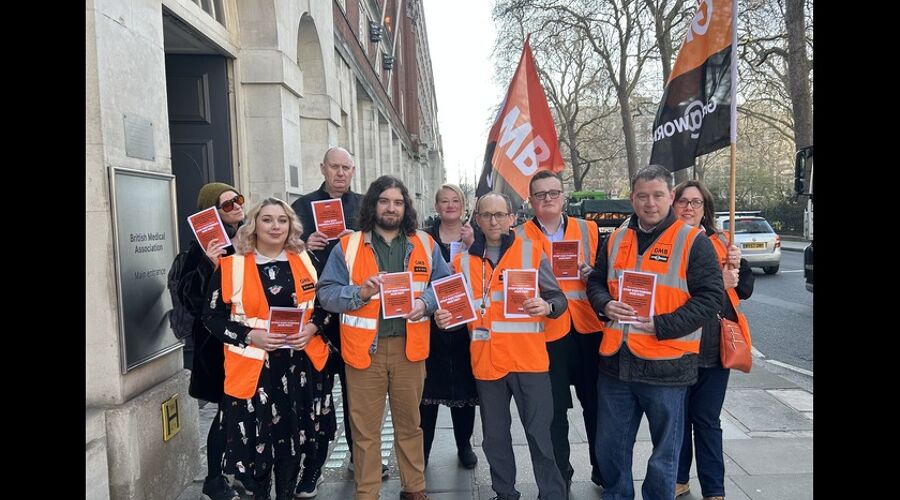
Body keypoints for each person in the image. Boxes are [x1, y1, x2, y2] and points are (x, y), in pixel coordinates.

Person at [585, 165, 724, 500]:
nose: (650, 203)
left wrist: (662, 325)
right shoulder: (617, 237)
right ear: (632, 198)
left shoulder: (693, 241)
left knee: (666, 454)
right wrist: (605, 304)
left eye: (658, 195)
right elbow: (596, 281)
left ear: (671, 197)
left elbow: (711, 298)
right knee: (610, 447)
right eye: (643, 196)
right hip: (617, 363)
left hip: (668, 364)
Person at [317, 175, 451, 500]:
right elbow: (326, 294)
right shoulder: (347, 246)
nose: (392, 208)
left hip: (409, 349)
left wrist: (425, 303)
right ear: (373, 204)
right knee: (365, 432)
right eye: (385, 201)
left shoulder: (425, 243)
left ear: (406, 207)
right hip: (365, 352)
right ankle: (367, 493)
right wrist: (359, 293)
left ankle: (414, 489)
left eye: (398, 202)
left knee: (410, 426)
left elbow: (445, 285)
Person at [435, 192, 568, 500]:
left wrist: (547, 307)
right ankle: (504, 493)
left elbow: (559, 300)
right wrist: (443, 318)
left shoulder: (533, 252)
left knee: (540, 436)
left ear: (512, 218)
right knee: (494, 438)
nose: (493, 221)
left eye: (499, 215)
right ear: (477, 220)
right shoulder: (461, 262)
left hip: (529, 362)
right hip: (487, 362)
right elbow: (455, 313)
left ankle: (553, 494)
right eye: (486, 215)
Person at [201, 198, 336, 500]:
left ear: (291, 226)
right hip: (254, 370)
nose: (275, 226)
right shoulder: (231, 266)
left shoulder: (307, 261)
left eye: (282, 220)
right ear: (254, 225)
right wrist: (249, 336)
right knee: (256, 449)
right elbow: (211, 318)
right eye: (267, 220)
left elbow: (326, 306)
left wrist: (312, 328)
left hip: (299, 367)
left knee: (292, 446)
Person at [290, 147, 388, 494]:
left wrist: (357, 243)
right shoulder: (301, 207)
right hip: (313, 313)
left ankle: (359, 457)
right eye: (335, 167)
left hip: (353, 312)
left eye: (347, 168)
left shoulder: (365, 205)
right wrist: (302, 244)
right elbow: (279, 250)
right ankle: (311, 466)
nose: (341, 173)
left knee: (356, 393)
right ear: (323, 167)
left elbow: (382, 246)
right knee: (315, 395)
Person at [515, 171, 605, 490]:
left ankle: (603, 469)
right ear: (531, 200)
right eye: (540, 194)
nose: (548, 199)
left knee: (597, 404)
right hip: (546, 332)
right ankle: (559, 479)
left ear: (564, 196)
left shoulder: (589, 230)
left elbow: (609, 276)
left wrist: (593, 274)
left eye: (553, 192)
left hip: (588, 329)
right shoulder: (519, 235)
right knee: (553, 412)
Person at [672, 181, 754, 500]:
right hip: (676, 347)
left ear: (705, 209)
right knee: (677, 421)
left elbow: (744, 289)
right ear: (673, 205)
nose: (689, 208)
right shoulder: (663, 243)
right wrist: (715, 281)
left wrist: (737, 266)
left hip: (715, 348)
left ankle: (714, 489)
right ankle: (679, 478)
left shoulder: (722, 243)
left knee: (706, 421)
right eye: (683, 201)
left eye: (697, 202)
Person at [177, 182, 245, 500]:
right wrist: (208, 264)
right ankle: (214, 478)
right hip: (216, 342)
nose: (237, 207)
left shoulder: (252, 236)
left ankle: (245, 471)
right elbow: (190, 297)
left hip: (249, 336)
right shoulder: (201, 249)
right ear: (213, 213)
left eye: (238, 200)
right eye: (228, 204)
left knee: (250, 407)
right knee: (227, 410)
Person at [420, 184, 478, 469]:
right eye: (444, 200)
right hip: (432, 321)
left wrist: (473, 247)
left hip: (466, 323)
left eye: (456, 200)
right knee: (427, 389)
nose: (450, 205)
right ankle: (423, 449)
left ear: (463, 205)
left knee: (465, 388)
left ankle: (464, 444)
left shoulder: (475, 237)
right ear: (436, 206)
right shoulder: (423, 239)